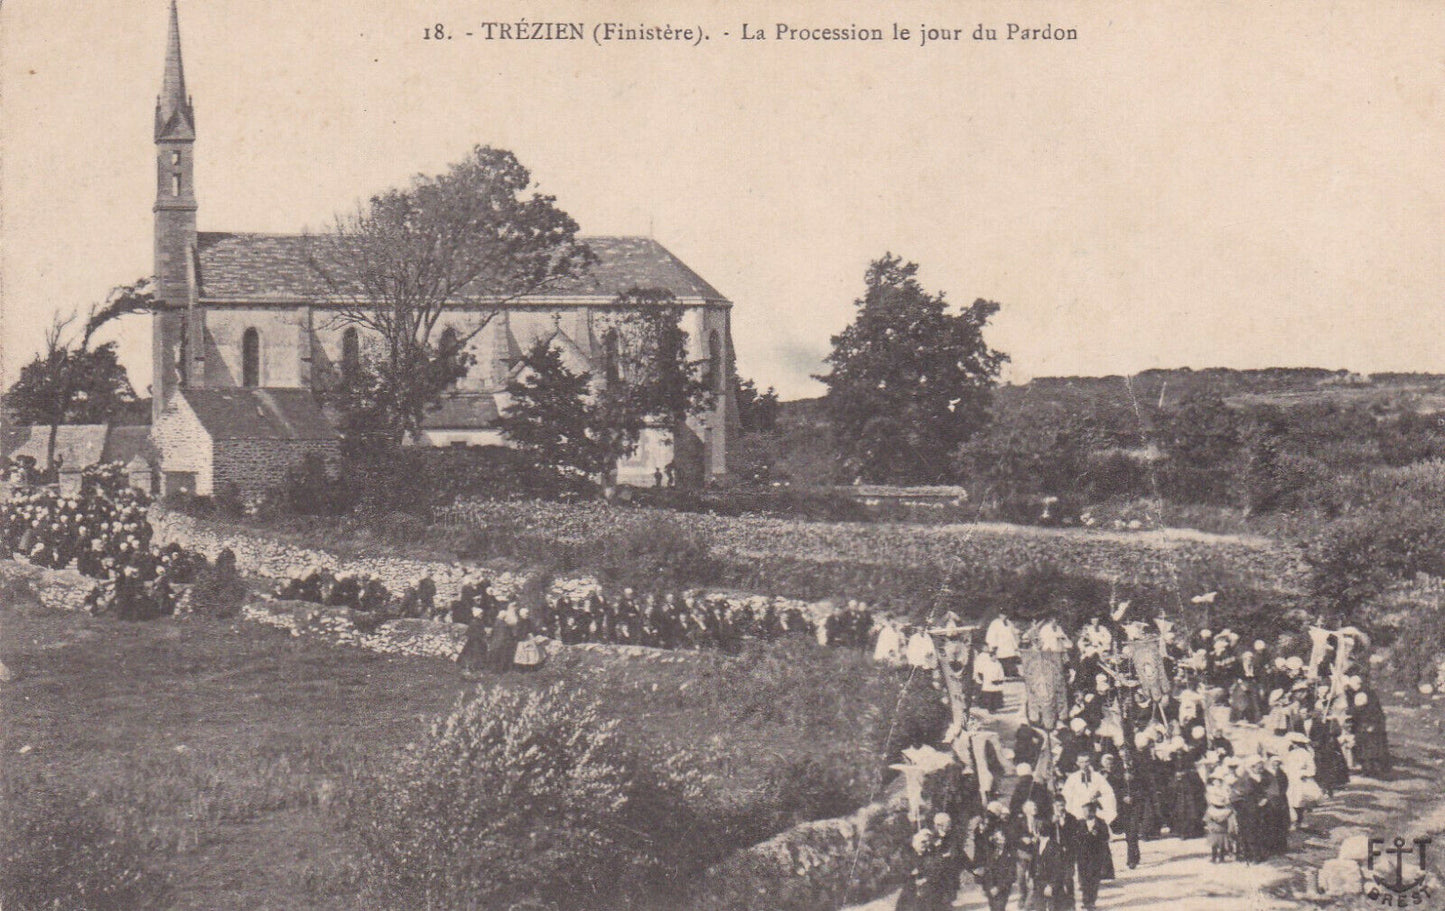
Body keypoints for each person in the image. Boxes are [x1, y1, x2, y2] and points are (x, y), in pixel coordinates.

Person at [1070, 799, 1112, 911]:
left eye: (1087, 811)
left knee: (1094, 879)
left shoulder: (1101, 823)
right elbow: (1074, 838)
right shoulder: (1079, 823)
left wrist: (1098, 835)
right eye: (1083, 811)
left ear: (1093, 812)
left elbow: (1106, 837)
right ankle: (1085, 900)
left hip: (1096, 856)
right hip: (1082, 856)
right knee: (1083, 879)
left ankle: (1091, 901)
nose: (1085, 814)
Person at [1062, 754, 1117, 826]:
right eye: (1082, 762)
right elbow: (1066, 795)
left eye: (1086, 761)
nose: (1085, 764)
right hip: (1079, 809)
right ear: (1077, 763)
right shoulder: (1073, 778)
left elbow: (1108, 792)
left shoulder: (1098, 776)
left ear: (1090, 762)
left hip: (1095, 809)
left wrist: (1098, 795)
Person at [986, 612, 1022, 677]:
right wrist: (993, 646)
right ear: (999, 615)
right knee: (1003, 660)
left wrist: (1019, 631)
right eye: (1003, 614)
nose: (1004, 616)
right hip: (1001, 646)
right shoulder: (995, 623)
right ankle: (1005, 674)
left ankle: (1013, 673)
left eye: (1005, 614)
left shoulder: (1008, 622)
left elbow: (1013, 631)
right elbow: (991, 635)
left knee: (1011, 659)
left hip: (1009, 645)